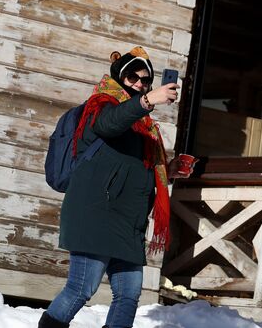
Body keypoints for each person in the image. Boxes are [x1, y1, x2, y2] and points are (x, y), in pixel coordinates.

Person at [38, 46, 193, 328]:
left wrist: (167, 171)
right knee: (81, 289)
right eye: (132, 77)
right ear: (119, 77)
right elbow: (108, 125)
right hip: (95, 213)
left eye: (146, 80)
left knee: (128, 295)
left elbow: (131, 166)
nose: (139, 84)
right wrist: (147, 100)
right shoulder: (101, 104)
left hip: (128, 220)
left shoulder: (141, 124)